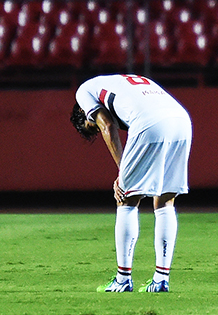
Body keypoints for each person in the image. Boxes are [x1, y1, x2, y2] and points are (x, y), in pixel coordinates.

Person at [70, 74, 192, 292]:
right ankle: (161, 280)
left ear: (82, 110)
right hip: (181, 121)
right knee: (165, 202)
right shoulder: (119, 81)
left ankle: (122, 279)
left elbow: (107, 124)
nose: (96, 128)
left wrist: (122, 171)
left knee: (126, 198)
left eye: (91, 125)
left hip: (151, 122)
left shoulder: (83, 92)